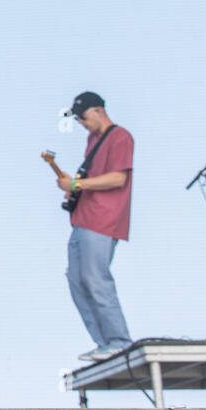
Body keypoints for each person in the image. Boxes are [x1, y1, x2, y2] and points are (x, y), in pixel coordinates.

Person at [59, 92, 134, 361]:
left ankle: (120, 340)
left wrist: (77, 185)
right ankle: (105, 343)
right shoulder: (93, 140)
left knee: (95, 278)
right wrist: (73, 190)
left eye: (83, 116)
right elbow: (92, 178)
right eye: (76, 118)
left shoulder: (120, 137)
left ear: (99, 110)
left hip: (103, 220)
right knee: (77, 281)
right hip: (82, 219)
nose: (80, 121)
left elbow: (117, 178)